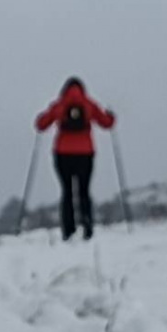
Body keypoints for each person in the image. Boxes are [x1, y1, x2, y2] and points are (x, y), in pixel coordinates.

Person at [35, 77, 115, 241]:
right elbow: (106, 123)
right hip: (85, 153)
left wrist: (41, 118)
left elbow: (41, 125)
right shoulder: (89, 104)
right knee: (84, 191)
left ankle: (68, 230)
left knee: (67, 192)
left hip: (63, 154)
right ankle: (87, 227)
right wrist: (111, 116)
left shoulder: (59, 104)